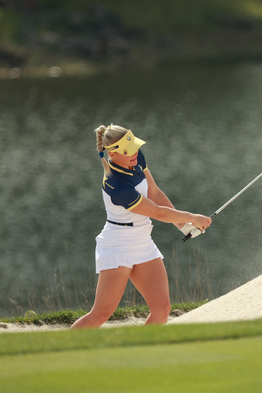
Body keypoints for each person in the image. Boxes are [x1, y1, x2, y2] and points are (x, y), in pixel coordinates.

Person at [71, 124, 211, 329]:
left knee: (162, 309)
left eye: (135, 147)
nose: (134, 154)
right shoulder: (115, 185)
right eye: (128, 152)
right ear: (112, 153)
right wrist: (192, 217)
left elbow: (154, 193)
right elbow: (157, 212)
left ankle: (140, 354)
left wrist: (183, 225)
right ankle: (60, 351)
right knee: (100, 314)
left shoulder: (136, 159)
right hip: (117, 245)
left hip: (142, 241)